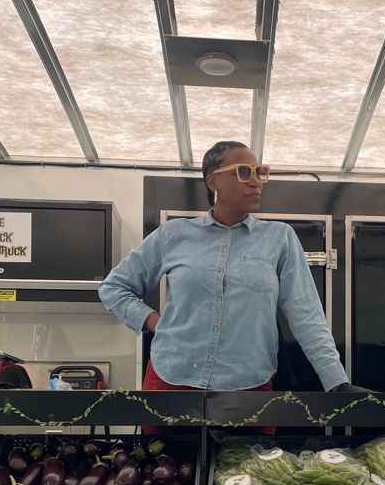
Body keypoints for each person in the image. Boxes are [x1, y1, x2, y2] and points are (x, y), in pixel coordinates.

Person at [99, 141, 366, 405]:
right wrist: (153, 321)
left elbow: (306, 314)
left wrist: (336, 382)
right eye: (243, 172)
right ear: (213, 181)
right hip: (171, 379)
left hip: (249, 388)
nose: (256, 182)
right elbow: (113, 287)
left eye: (260, 172)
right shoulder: (173, 234)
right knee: (163, 438)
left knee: (250, 439)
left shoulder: (279, 238)